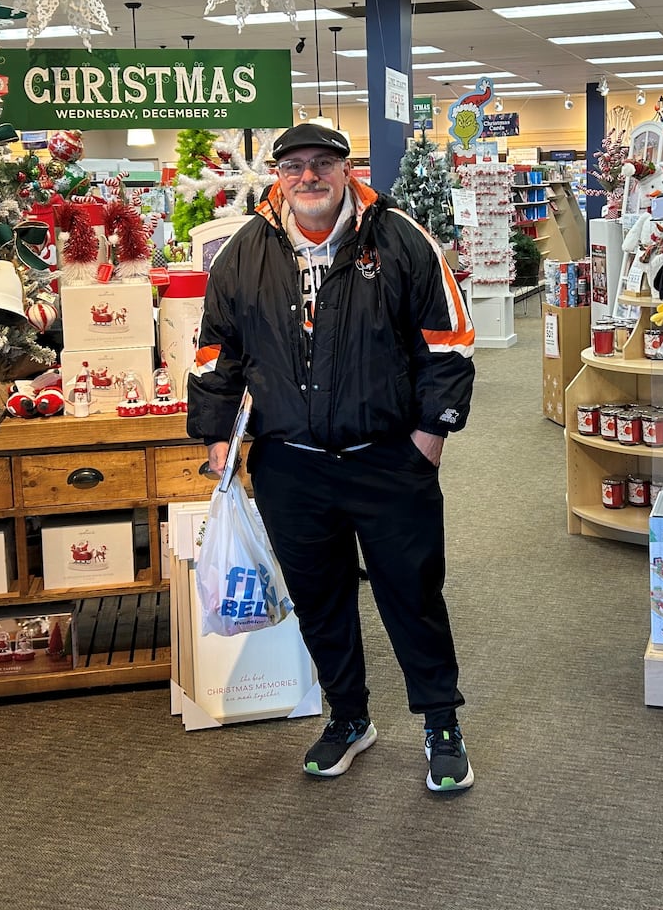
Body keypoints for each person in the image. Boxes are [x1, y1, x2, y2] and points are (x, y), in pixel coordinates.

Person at [188, 122, 477, 793]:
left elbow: (450, 344)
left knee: (413, 596)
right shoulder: (243, 251)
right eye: (295, 167)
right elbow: (215, 353)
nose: (310, 178)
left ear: (346, 170)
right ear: (278, 176)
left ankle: (441, 723)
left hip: (388, 460)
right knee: (321, 602)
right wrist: (216, 437)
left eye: (323, 164)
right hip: (291, 465)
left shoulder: (400, 238)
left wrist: (428, 441)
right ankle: (349, 718)